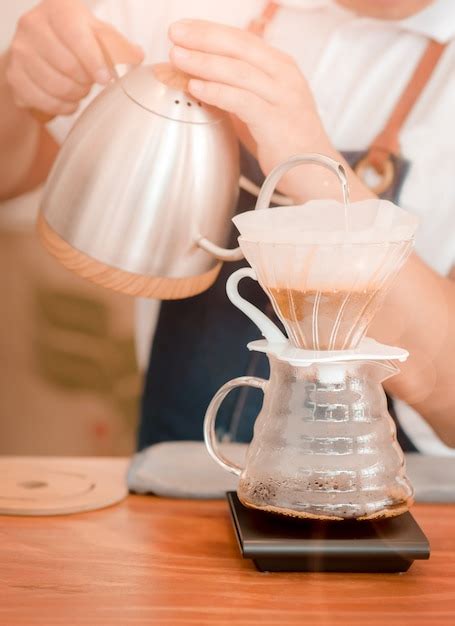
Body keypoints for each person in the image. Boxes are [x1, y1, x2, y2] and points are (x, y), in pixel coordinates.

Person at [0, 0, 454, 460]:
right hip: (177, 475)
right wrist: (19, 84)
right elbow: (12, 174)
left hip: (393, 506)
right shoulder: (182, 12)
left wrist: (313, 170)